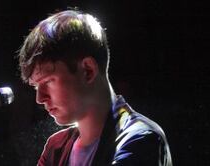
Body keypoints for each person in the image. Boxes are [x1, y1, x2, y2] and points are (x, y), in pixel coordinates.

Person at [17, 10, 172, 166]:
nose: (40, 98)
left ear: (87, 70)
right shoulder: (56, 146)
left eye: (48, 81)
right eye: (36, 86)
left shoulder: (141, 138)